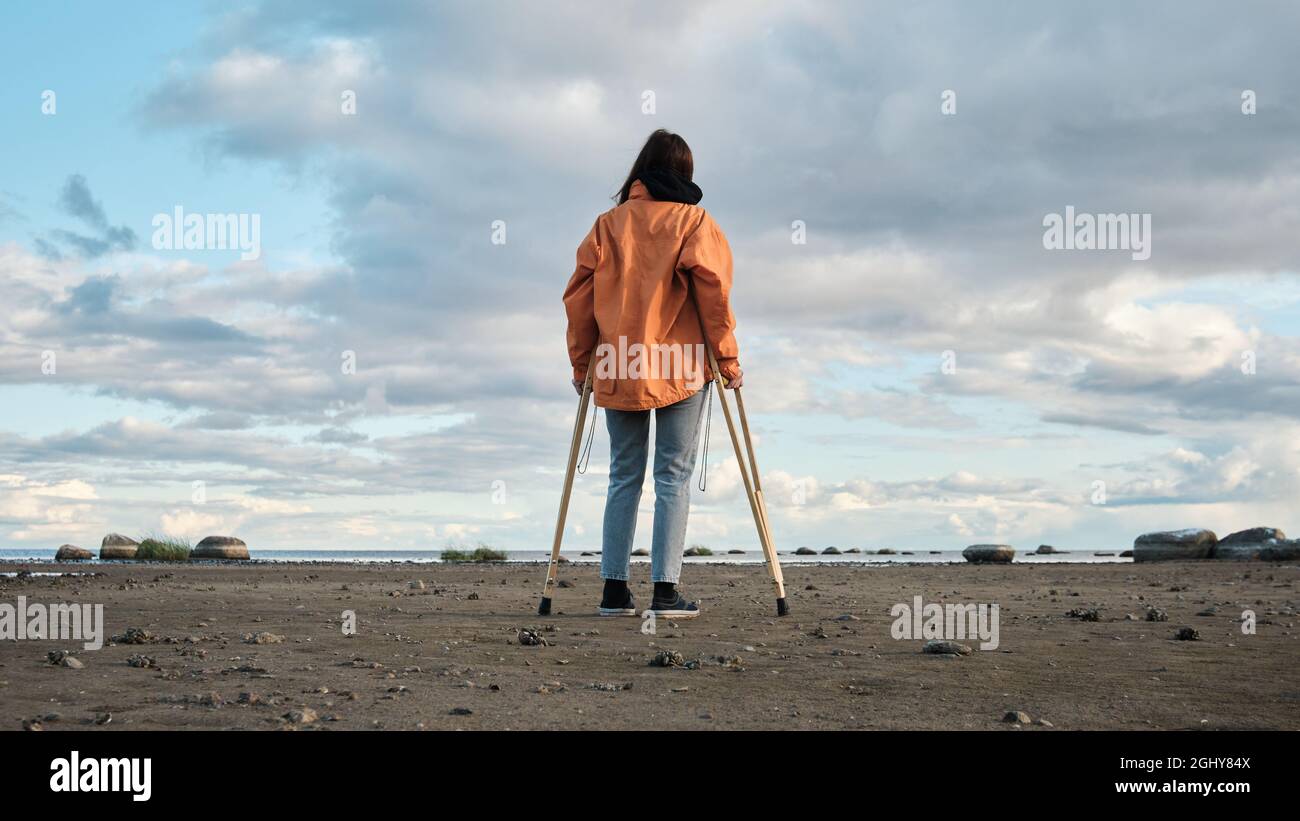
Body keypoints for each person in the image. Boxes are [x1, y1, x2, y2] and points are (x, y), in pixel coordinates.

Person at [563, 129, 742, 619]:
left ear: (641, 170)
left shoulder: (607, 226)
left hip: (619, 363)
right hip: (679, 364)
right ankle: (665, 592)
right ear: (684, 173)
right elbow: (713, 293)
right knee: (672, 477)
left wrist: (582, 365)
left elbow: (578, 300)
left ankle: (614, 593)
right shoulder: (694, 221)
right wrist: (726, 358)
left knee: (624, 475)